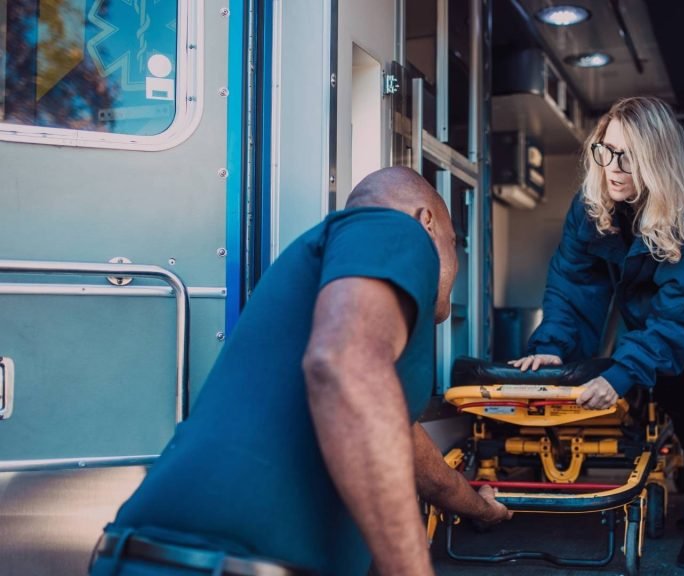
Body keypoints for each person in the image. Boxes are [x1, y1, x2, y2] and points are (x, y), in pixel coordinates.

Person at [90, 167, 511, 576]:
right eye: (455, 244)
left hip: (170, 554)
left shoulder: (350, 309)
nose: (455, 267)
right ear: (429, 221)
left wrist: (479, 507)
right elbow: (343, 369)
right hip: (213, 560)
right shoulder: (396, 229)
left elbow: (402, 443)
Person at [510, 96, 684, 567]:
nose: (613, 167)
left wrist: (620, 373)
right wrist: (553, 346)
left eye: (629, 156)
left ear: (658, 158)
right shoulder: (592, 204)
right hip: (662, 293)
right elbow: (574, 281)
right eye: (607, 150)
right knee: (669, 387)